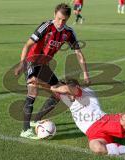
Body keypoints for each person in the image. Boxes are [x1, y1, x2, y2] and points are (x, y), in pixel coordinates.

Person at [15, 3, 90, 139]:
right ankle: (25, 130)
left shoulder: (68, 33)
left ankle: (36, 120)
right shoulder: (46, 26)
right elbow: (28, 45)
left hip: (44, 66)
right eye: (59, 19)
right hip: (32, 61)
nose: (61, 23)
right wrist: (21, 64)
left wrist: (85, 73)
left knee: (59, 93)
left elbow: (78, 53)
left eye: (64, 20)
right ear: (54, 14)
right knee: (33, 91)